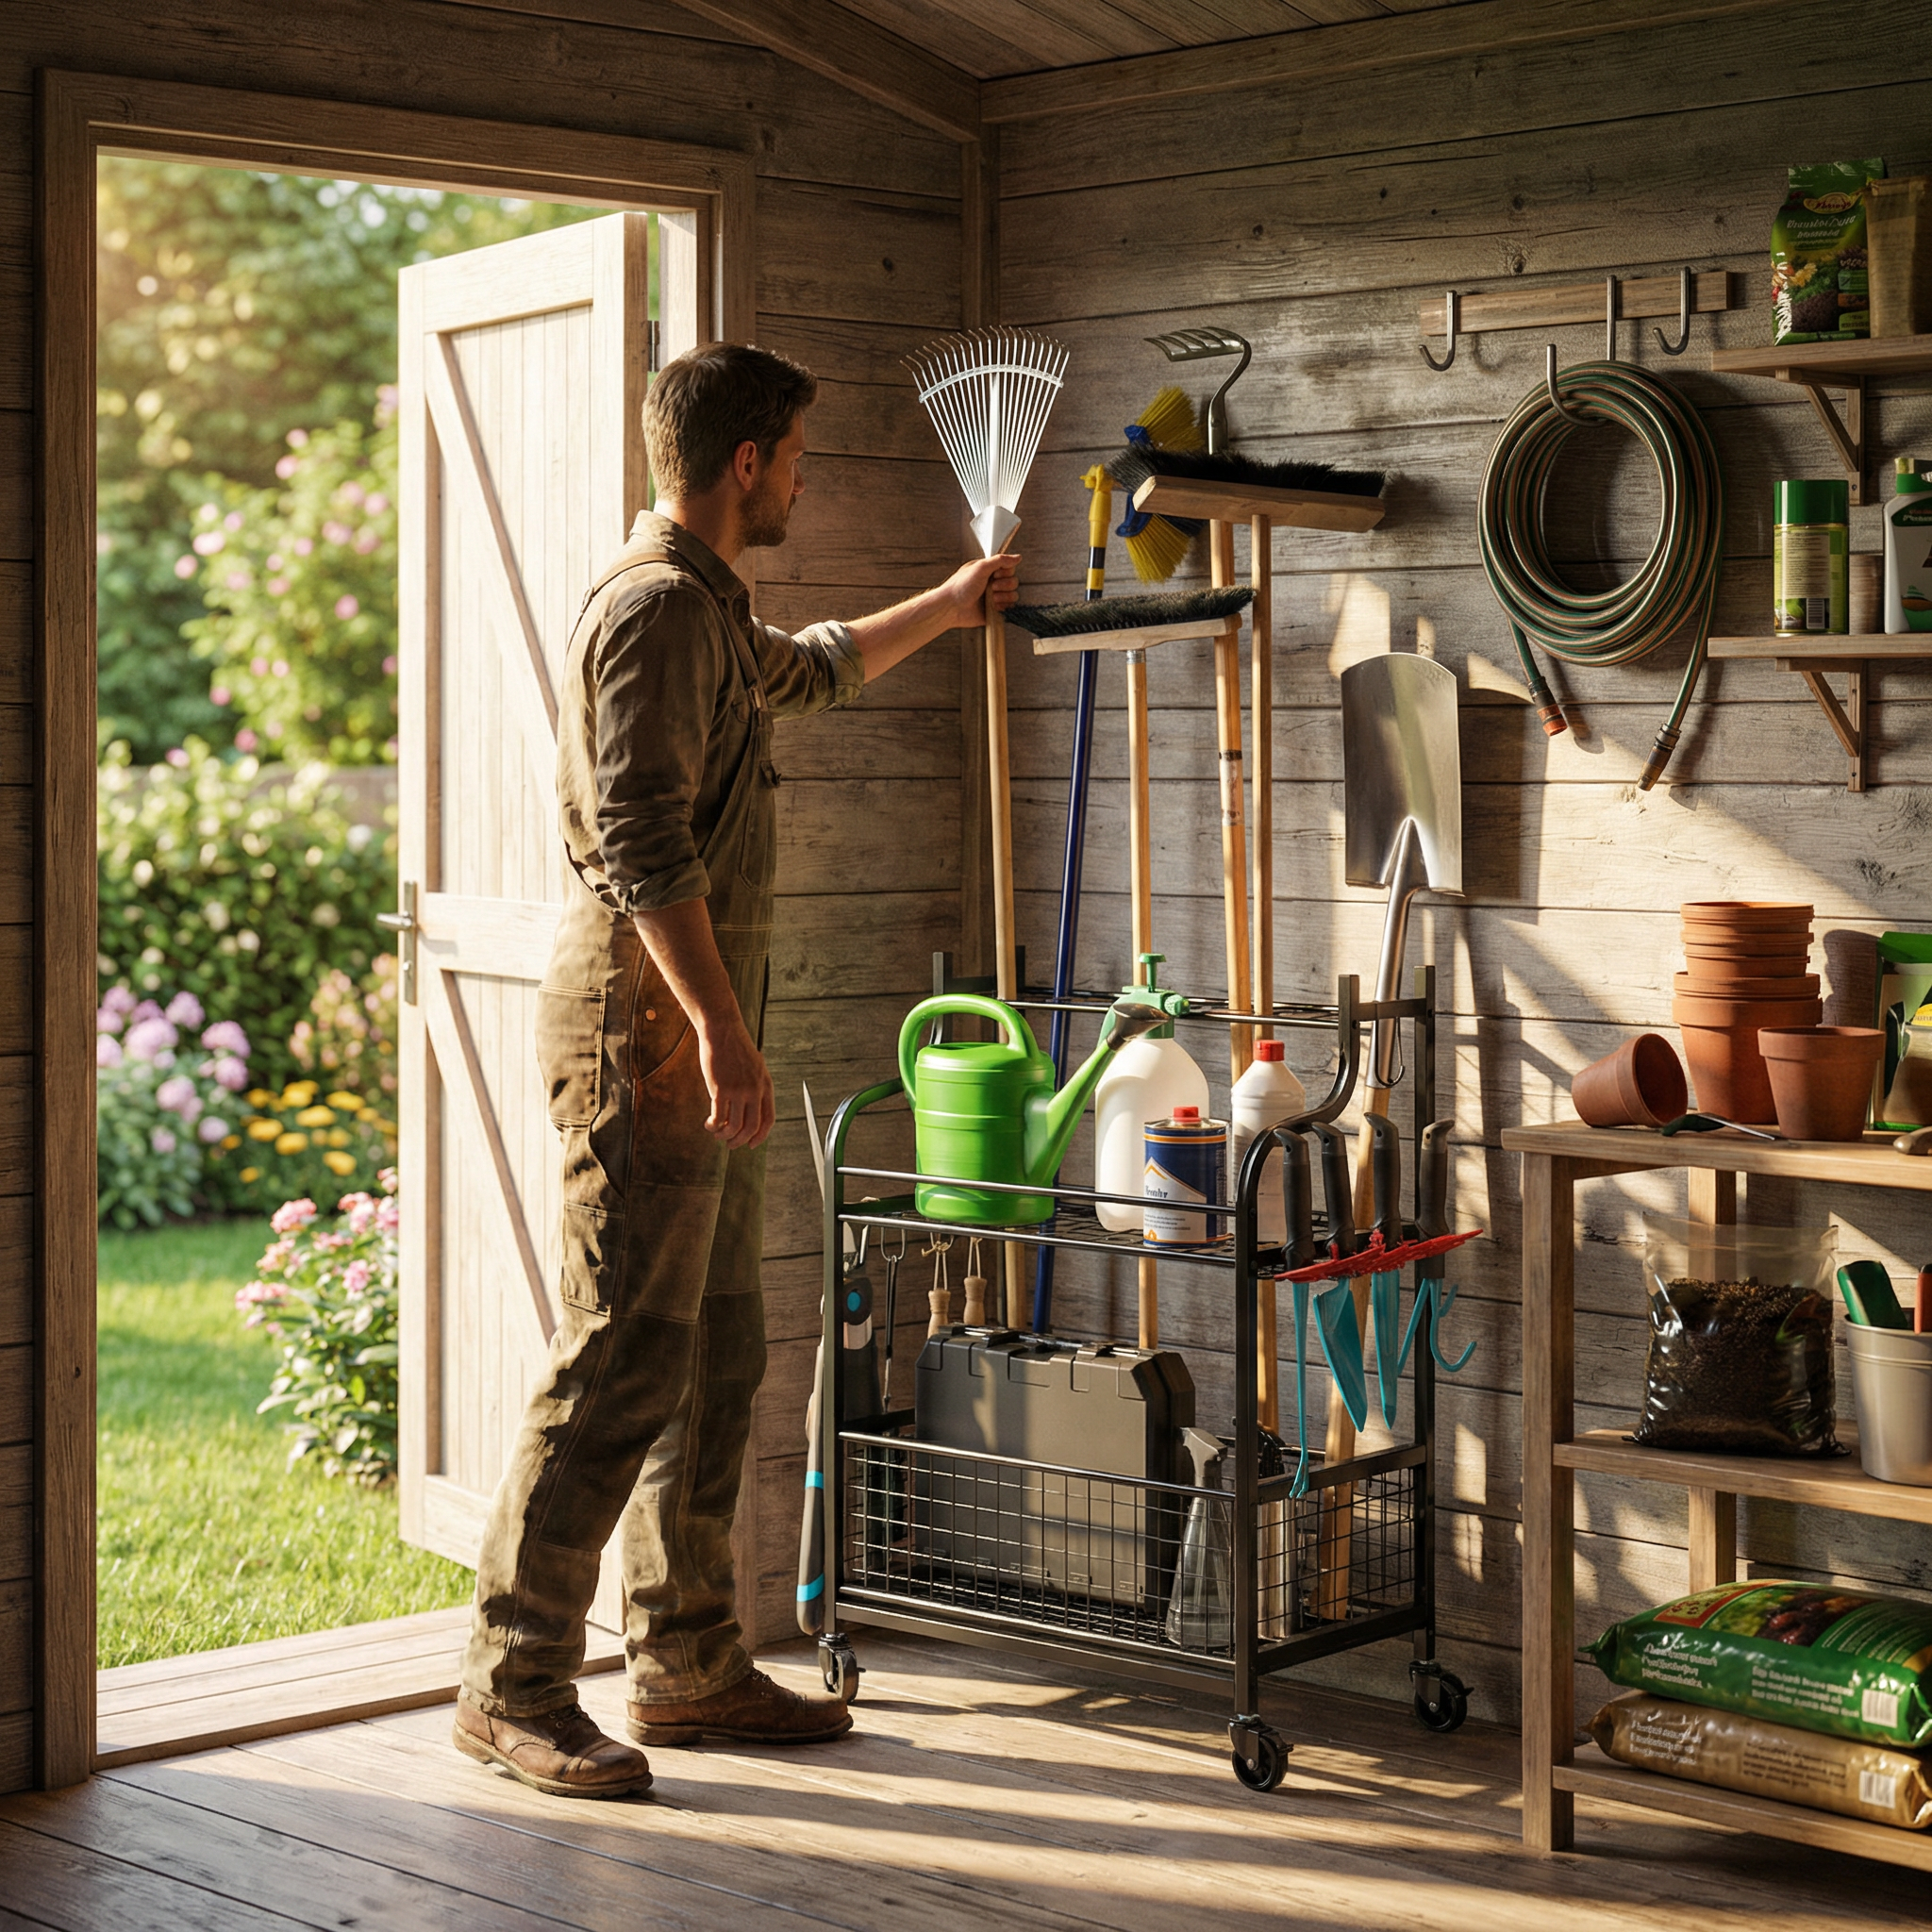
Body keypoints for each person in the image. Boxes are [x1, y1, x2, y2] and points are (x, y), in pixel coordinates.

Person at [453, 341, 1018, 1798]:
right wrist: (715, 1025)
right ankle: (510, 1683)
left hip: (699, 1027)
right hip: (642, 1034)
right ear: (748, 462)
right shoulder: (649, 613)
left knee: (714, 1349)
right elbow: (636, 835)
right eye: (800, 459)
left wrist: (951, 611)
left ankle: (687, 1661)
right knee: (621, 1352)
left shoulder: (709, 608)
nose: (808, 483)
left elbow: (814, 673)